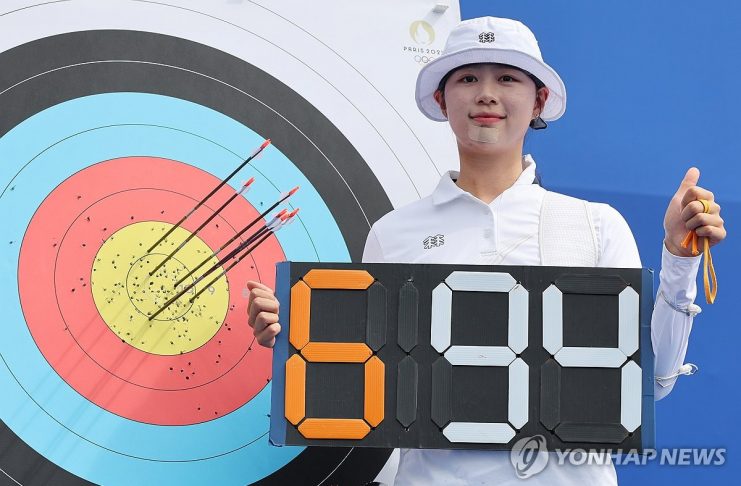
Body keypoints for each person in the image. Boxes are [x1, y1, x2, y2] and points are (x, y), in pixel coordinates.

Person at [247, 16, 726, 485]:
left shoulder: (596, 225)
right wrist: (301, 339)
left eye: (508, 78)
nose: (487, 94)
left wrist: (679, 258)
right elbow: (373, 392)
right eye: (468, 78)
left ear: (539, 100)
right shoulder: (393, 234)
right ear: (442, 99)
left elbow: (653, 383)